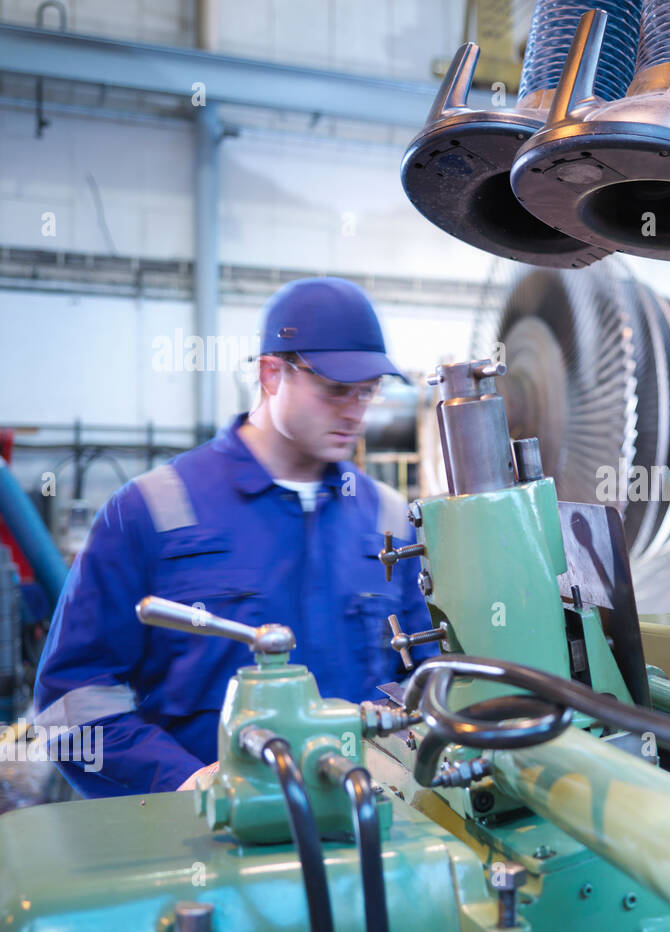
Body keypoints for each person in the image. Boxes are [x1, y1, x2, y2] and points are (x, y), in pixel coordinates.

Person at [34, 277, 435, 798]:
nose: (356, 410)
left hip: (359, 826)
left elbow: (426, 675)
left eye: (368, 391)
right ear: (272, 373)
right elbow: (71, 701)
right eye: (336, 388)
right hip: (205, 849)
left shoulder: (387, 519)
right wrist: (183, 780)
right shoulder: (152, 511)